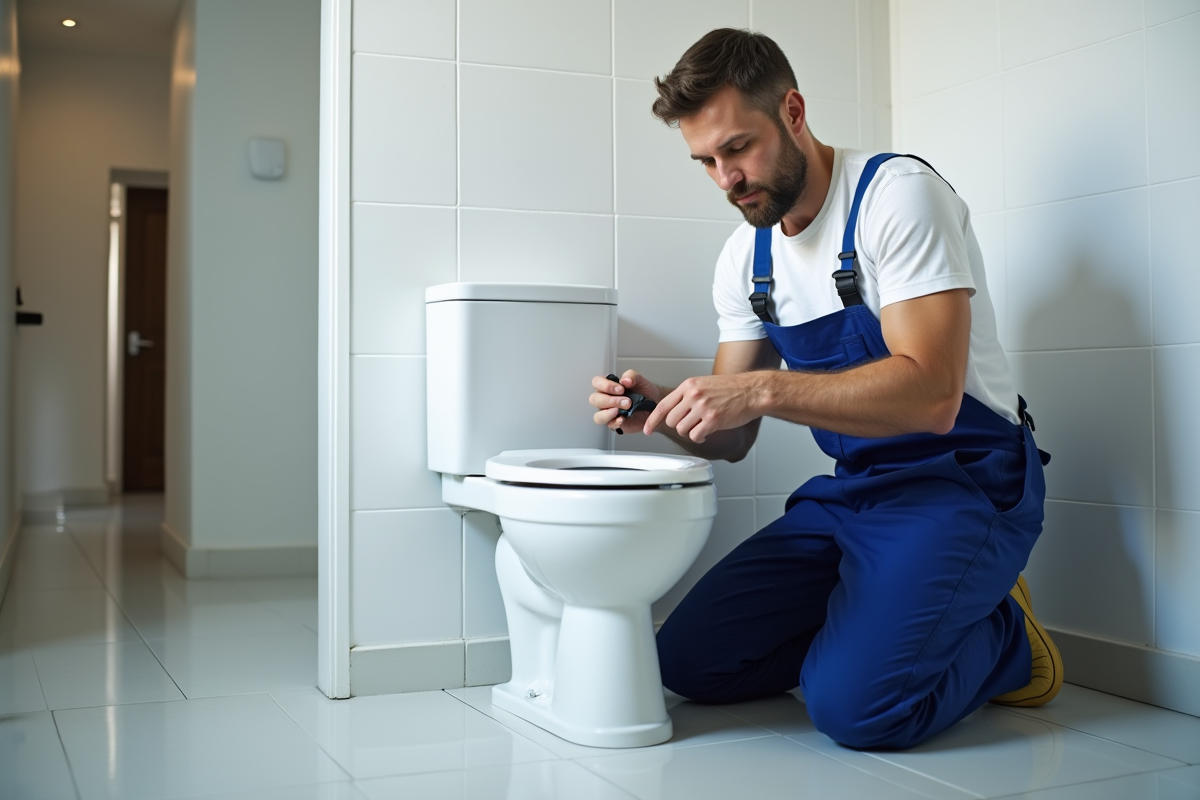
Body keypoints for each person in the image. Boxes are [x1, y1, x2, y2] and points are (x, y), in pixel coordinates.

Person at [589, 28, 1061, 751]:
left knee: (857, 712)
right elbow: (734, 437)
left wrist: (760, 392)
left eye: (738, 148)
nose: (725, 178)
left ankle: (1005, 636)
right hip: (858, 491)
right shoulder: (746, 259)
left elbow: (933, 395)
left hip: (963, 485)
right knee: (687, 661)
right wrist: (666, 412)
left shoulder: (896, 197)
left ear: (794, 113)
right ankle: (883, 628)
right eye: (706, 161)